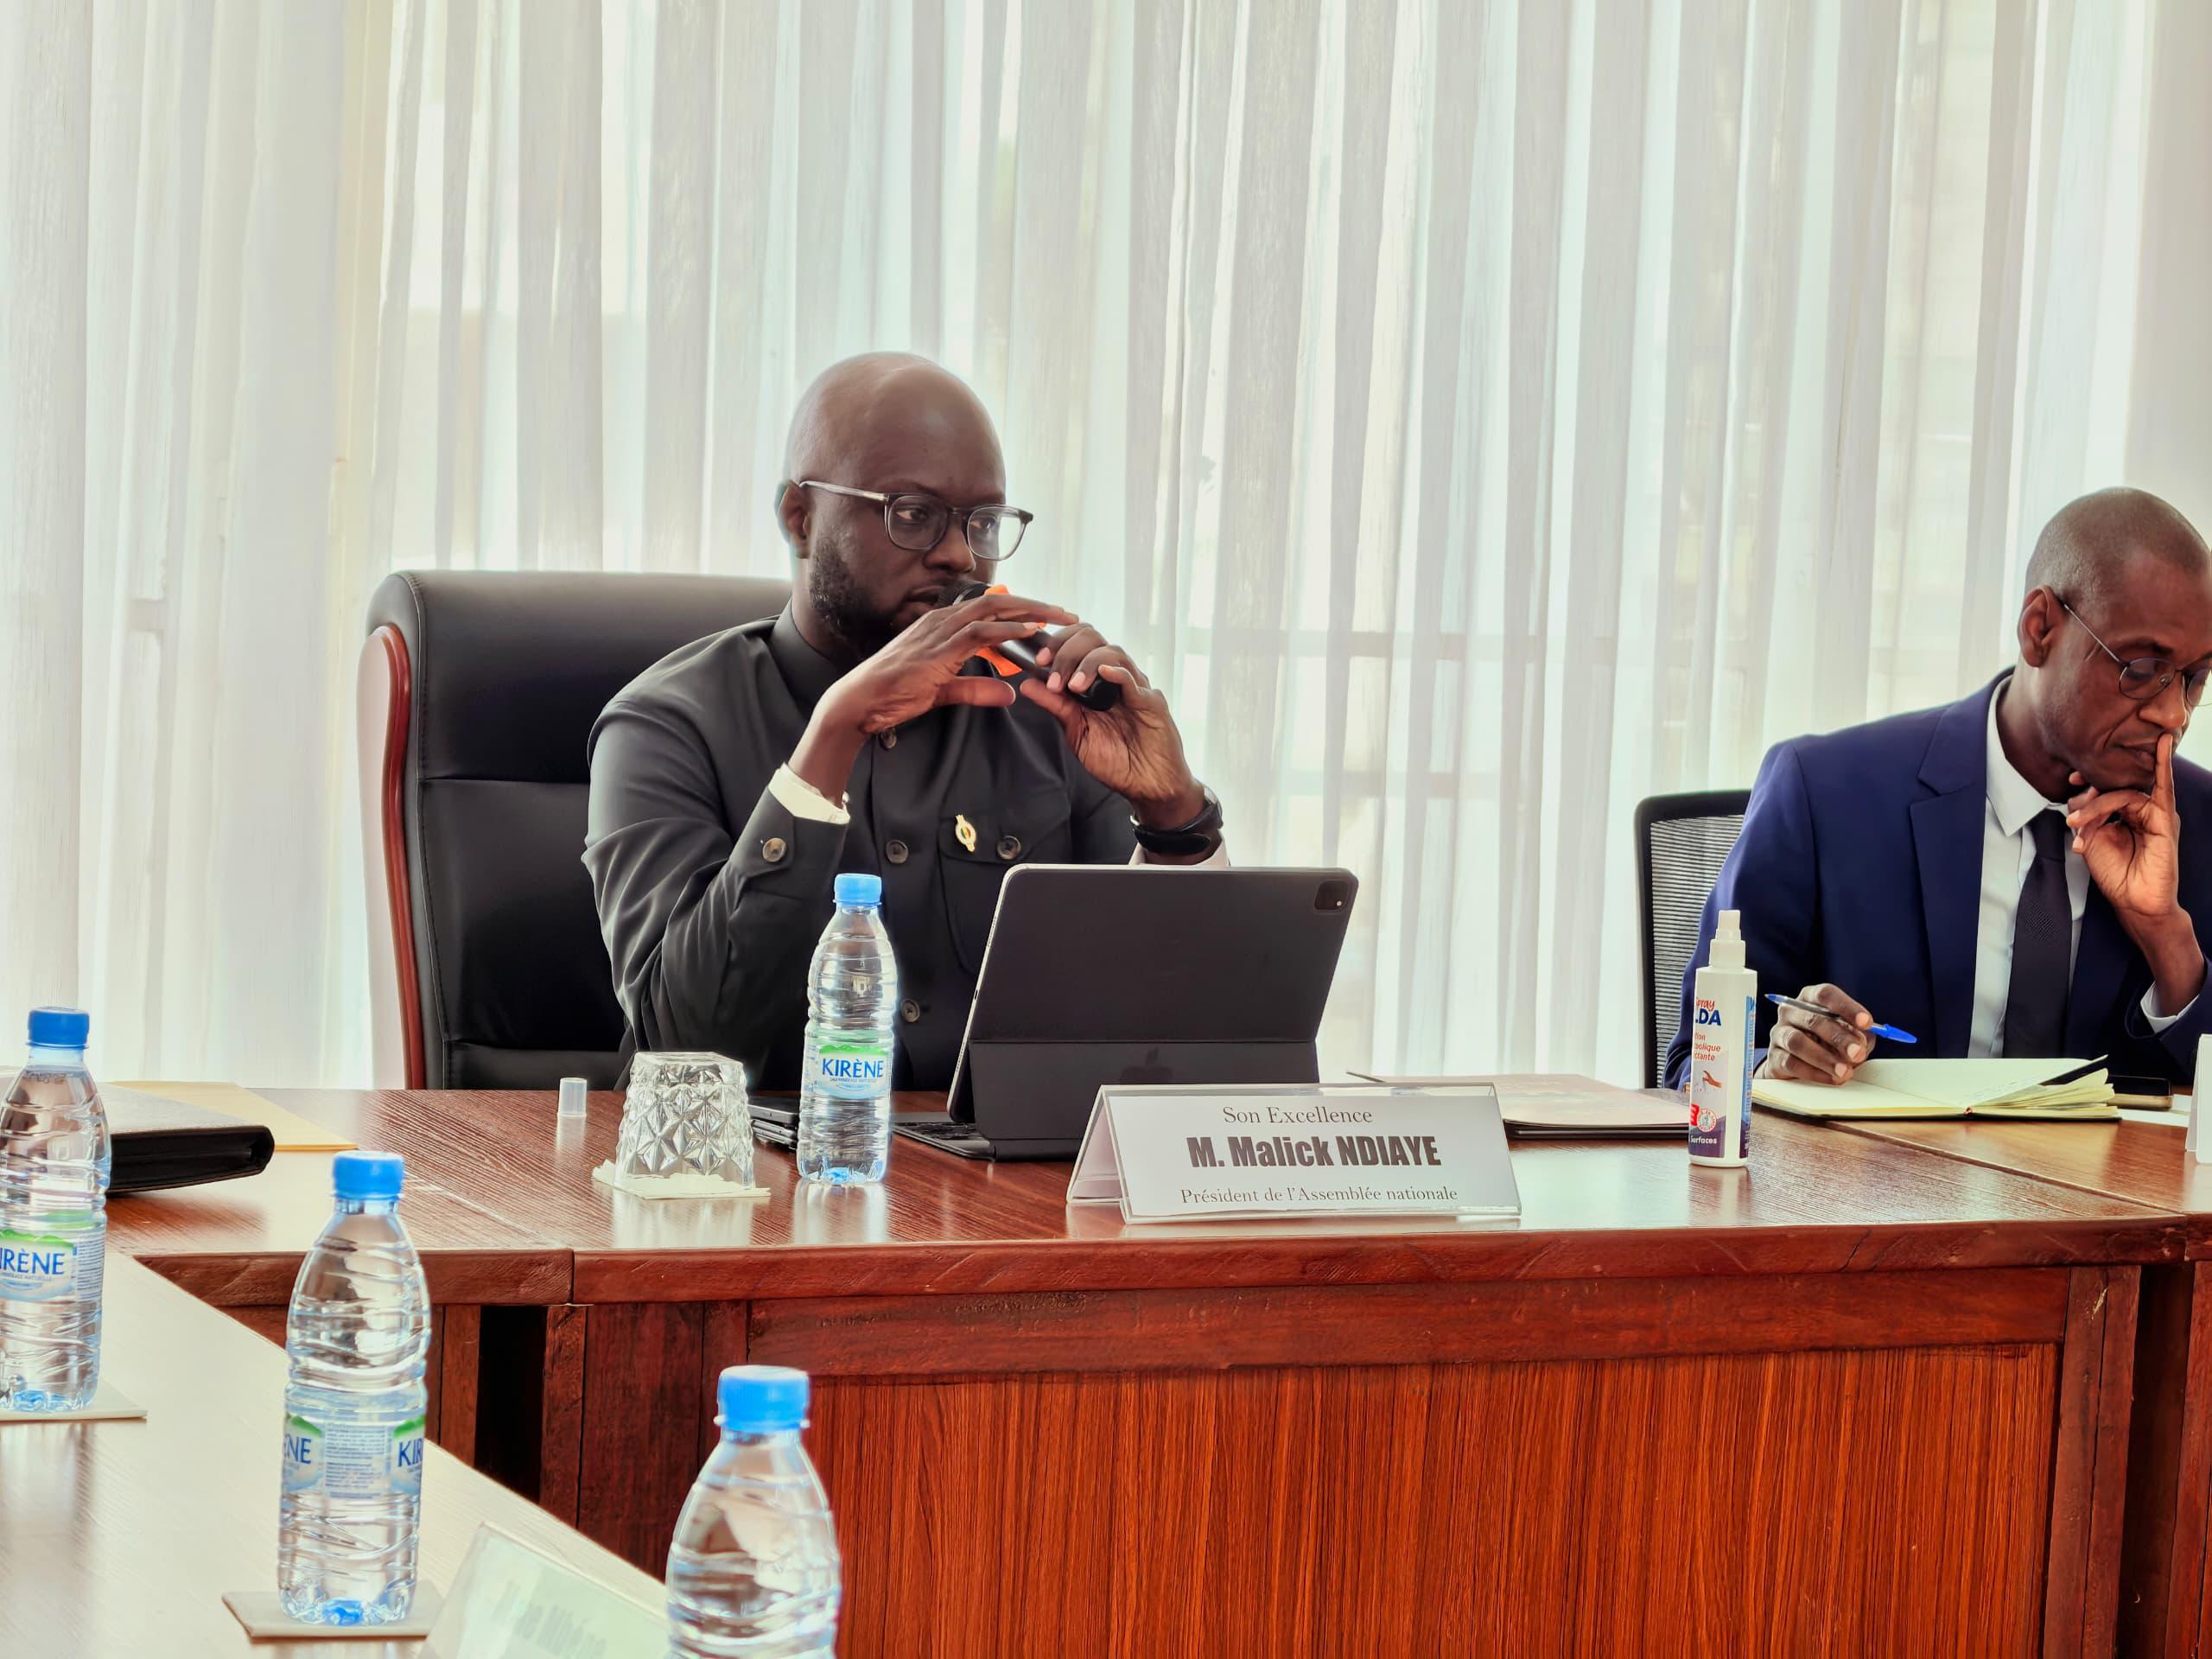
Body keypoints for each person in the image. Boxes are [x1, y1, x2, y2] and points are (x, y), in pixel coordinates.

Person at [585, 353, 1224, 1090]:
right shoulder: (663, 726)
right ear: (800, 518)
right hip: (761, 1189)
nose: (958, 554)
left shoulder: (1051, 716)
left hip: (1007, 1190)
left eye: (982, 522)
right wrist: (831, 740)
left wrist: (1172, 814)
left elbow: (1173, 1036)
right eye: (912, 514)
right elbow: (684, 1044)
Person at [1665, 487, 2212, 1090]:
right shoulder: (1825, 793)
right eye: (2140, 669)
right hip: (1879, 1183)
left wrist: (2167, 938)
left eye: (2194, 679)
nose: (2174, 715)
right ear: (2040, 629)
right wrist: (1775, 1068)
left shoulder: (2202, 824)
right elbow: (1694, 1069)